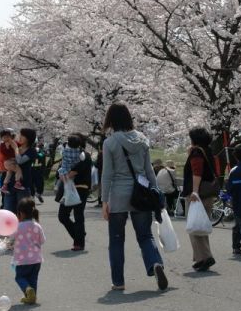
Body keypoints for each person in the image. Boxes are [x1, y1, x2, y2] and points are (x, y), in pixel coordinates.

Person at [100, 102, 168, 291]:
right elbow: (149, 171)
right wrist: (156, 193)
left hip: (118, 195)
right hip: (142, 194)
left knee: (116, 239)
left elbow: (107, 174)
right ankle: (155, 263)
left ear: (111, 119)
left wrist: (105, 201)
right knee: (145, 235)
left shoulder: (110, 142)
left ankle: (118, 281)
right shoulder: (142, 140)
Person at [182, 126, 218, 271]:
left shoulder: (197, 152)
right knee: (201, 226)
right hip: (208, 194)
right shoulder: (208, 151)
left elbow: (197, 172)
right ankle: (201, 257)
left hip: (197, 194)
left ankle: (205, 257)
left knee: (195, 227)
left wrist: (194, 192)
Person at [57, 134, 92, 251]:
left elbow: (71, 173)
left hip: (81, 188)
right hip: (68, 188)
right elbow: (62, 169)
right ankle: (79, 234)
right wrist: (62, 175)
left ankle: (79, 243)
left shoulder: (85, 157)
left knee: (78, 215)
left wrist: (63, 175)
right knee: (62, 216)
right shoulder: (67, 154)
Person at [13, 198, 46, 304]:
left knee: (20, 277)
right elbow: (42, 241)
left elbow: (10, 239)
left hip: (22, 260)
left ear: (20, 213)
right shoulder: (37, 226)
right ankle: (32, 297)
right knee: (33, 279)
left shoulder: (17, 227)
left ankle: (27, 290)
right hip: (36, 260)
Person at [0, 129, 25, 194]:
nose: (6, 138)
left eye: (8, 136)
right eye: (4, 137)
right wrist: (9, 147)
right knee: (18, 170)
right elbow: (17, 147)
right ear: (1, 138)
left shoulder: (6, 143)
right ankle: (17, 182)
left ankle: (4, 186)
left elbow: (19, 145)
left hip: (7, 163)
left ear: (10, 136)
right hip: (10, 161)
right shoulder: (7, 143)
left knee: (9, 173)